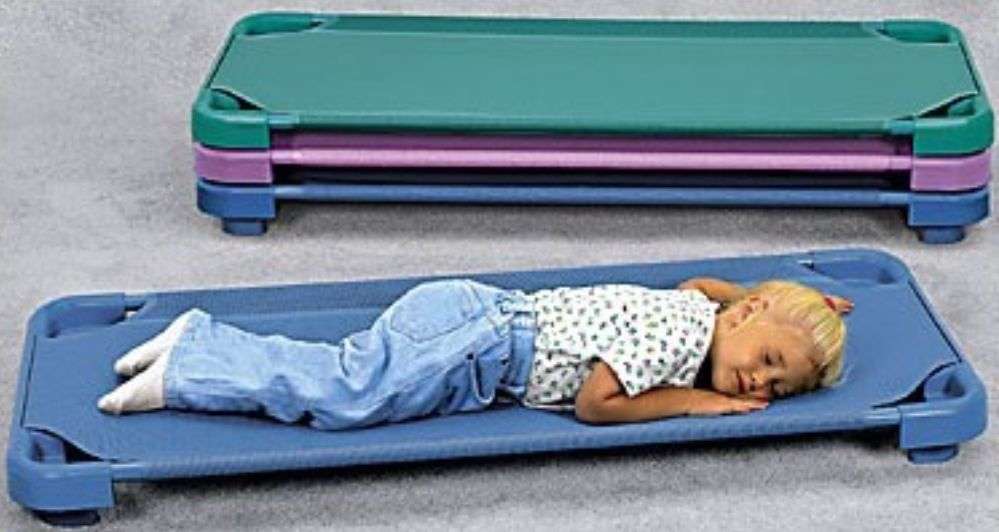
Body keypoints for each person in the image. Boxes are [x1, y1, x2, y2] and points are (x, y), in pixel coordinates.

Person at [97, 277, 852, 430]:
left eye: (777, 387)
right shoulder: (681, 340)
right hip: (481, 342)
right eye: (768, 359)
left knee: (344, 371)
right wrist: (696, 402)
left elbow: (703, 286)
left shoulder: (700, 309)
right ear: (743, 316)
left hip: (474, 322)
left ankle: (203, 342)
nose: (758, 381)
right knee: (348, 396)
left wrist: (778, 299)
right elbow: (596, 405)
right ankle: (190, 364)